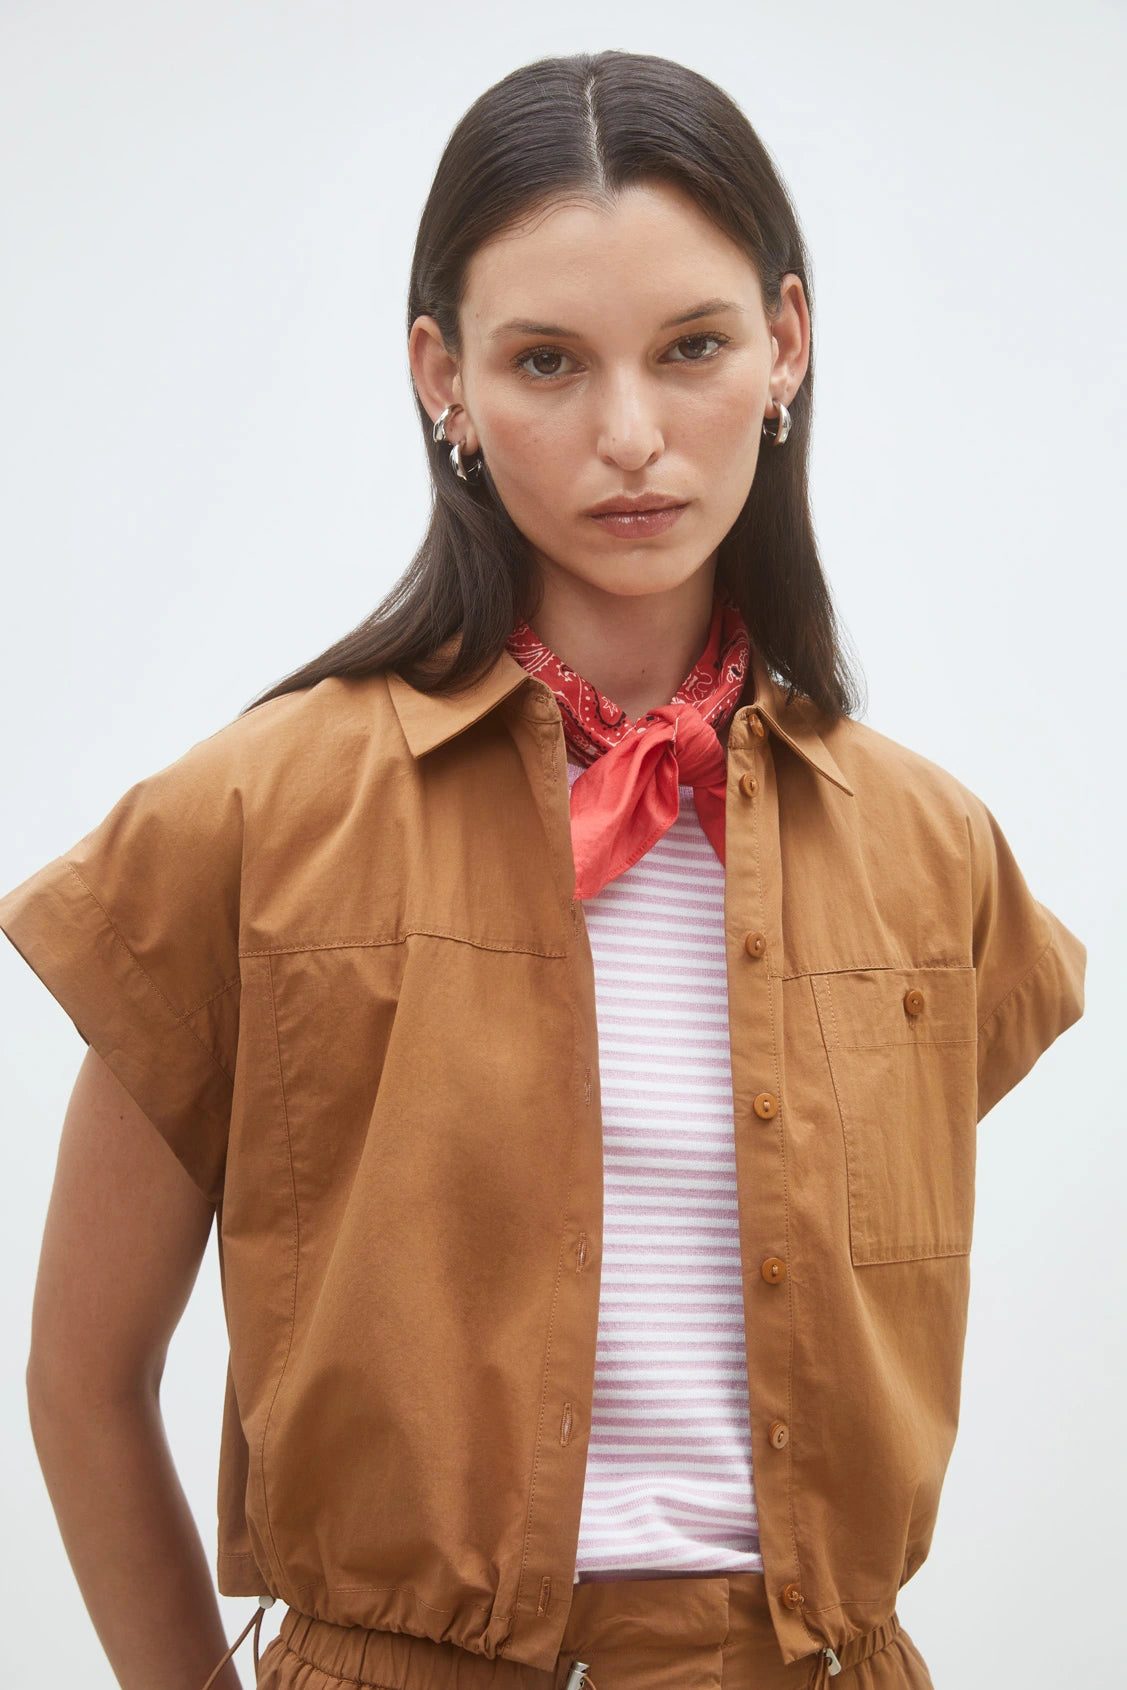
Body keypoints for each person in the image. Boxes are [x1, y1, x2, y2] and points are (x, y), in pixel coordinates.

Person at [0, 49, 1085, 1690]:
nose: (632, 434)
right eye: (548, 361)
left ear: (785, 343)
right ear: (443, 375)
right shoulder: (249, 821)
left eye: (695, 346)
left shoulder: (932, 856)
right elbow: (83, 1374)